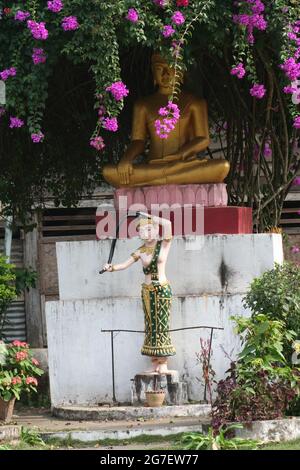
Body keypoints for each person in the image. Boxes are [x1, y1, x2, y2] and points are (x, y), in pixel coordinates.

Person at [102, 212, 175, 373]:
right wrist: (111, 267)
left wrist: (150, 216)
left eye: (150, 229)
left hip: (161, 289)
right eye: (143, 231)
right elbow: (124, 264)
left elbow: (168, 224)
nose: (147, 234)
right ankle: (154, 360)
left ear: (156, 230)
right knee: (150, 325)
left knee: (162, 324)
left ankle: (163, 360)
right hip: (147, 292)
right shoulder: (141, 251)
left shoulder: (164, 245)